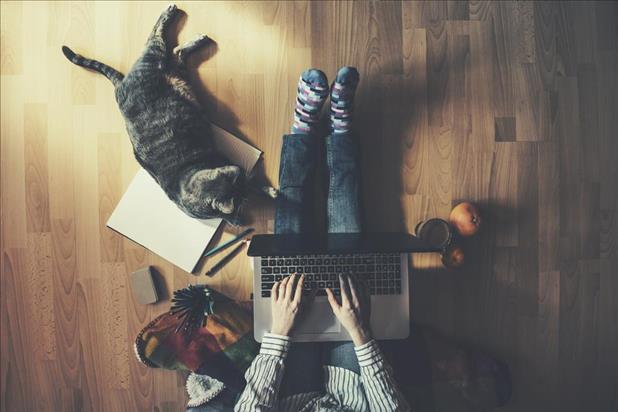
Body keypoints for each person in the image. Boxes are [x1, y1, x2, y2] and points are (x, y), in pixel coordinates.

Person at [233, 67, 411, 412]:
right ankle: (341, 129)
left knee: (290, 254)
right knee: (348, 252)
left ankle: (304, 127)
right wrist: (360, 332)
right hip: (351, 395)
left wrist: (280, 333)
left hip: (289, 395)